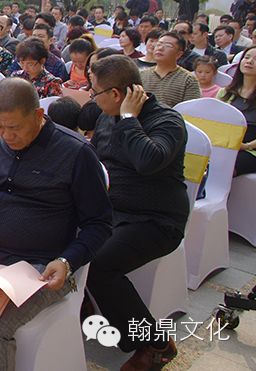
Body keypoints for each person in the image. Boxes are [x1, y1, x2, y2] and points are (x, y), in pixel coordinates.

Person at [0, 78, 112, 371]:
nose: (6, 136)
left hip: (39, 269)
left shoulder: (75, 153)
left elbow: (99, 223)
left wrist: (67, 260)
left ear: (39, 116)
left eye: (14, 128)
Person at [87, 55, 189, 370]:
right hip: (113, 209)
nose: (93, 98)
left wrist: (130, 119)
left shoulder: (166, 121)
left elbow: (148, 160)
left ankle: (156, 343)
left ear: (116, 95)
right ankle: (95, 313)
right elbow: (98, 156)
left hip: (155, 220)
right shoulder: (107, 114)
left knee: (100, 264)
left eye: (96, 93)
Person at [217, 46, 256, 176]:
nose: (249, 61)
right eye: (247, 57)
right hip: (224, 143)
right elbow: (215, 121)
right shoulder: (226, 92)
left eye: (255, 59)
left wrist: (247, 146)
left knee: (229, 164)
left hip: (251, 149)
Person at [140, 31, 202, 107]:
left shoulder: (188, 80)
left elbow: (190, 111)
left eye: (168, 46)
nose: (160, 48)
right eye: (158, 44)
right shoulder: (141, 75)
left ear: (179, 54)